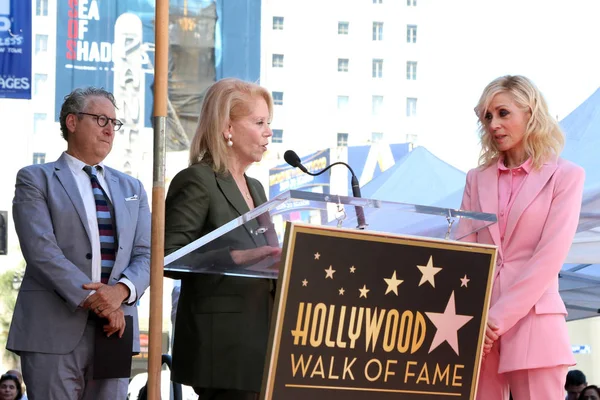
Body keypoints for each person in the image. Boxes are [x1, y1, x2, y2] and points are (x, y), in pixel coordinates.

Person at [7, 87, 151, 399]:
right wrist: (100, 301)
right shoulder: (35, 179)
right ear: (72, 122)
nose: (110, 129)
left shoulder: (133, 188)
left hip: (116, 328)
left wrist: (120, 293)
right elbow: (41, 252)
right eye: (101, 119)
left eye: (115, 122)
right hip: (52, 329)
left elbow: (146, 254)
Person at [459, 75, 585, 400]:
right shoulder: (476, 179)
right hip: (479, 325)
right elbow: (464, 254)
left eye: (503, 113)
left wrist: (495, 319)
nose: (493, 124)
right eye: (486, 117)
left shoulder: (565, 176)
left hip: (534, 321)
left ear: (530, 113)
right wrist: (473, 315)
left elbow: (548, 258)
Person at [165, 78, 281, 400]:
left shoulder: (256, 188)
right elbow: (169, 257)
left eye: (268, 123)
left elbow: (268, 256)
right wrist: (237, 257)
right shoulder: (197, 180)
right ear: (227, 127)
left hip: (264, 340)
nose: (268, 132)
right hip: (223, 347)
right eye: (259, 122)